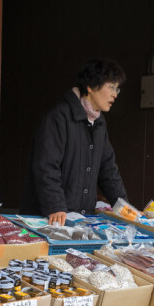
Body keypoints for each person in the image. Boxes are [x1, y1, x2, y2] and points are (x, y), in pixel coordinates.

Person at [21, 58, 129, 225]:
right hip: (50, 218)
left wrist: (124, 207)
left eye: (117, 89)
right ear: (91, 86)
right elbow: (46, 167)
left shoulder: (99, 123)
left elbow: (108, 170)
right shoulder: (58, 117)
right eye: (111, 87)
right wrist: (55, 205)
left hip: (79, 219)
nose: (115, 94)